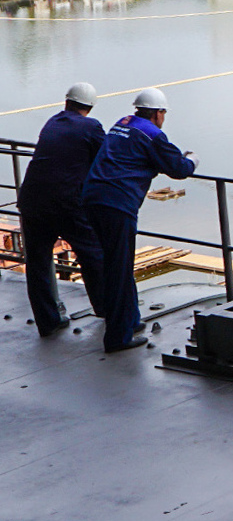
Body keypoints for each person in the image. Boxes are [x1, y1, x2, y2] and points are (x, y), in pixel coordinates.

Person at [80, 87, 196, 353]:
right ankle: (118, 338)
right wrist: (192, 160)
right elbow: (178, 169)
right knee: (119, 269)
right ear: (157, 114)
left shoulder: (121, 124)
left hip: (92, 197)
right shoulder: (152, 133)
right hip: (116, 205)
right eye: (163, 113)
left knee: (115, 263)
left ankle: (130, 321)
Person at [15, 83, 107, 337]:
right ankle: (105, 308)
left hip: (32, 200)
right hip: (66, 203)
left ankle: (48, 321)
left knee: (38, 262)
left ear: (66, 102)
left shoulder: (52, 122)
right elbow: (107, 158)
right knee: (93, 255)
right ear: (90, 106)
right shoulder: (91, 127)